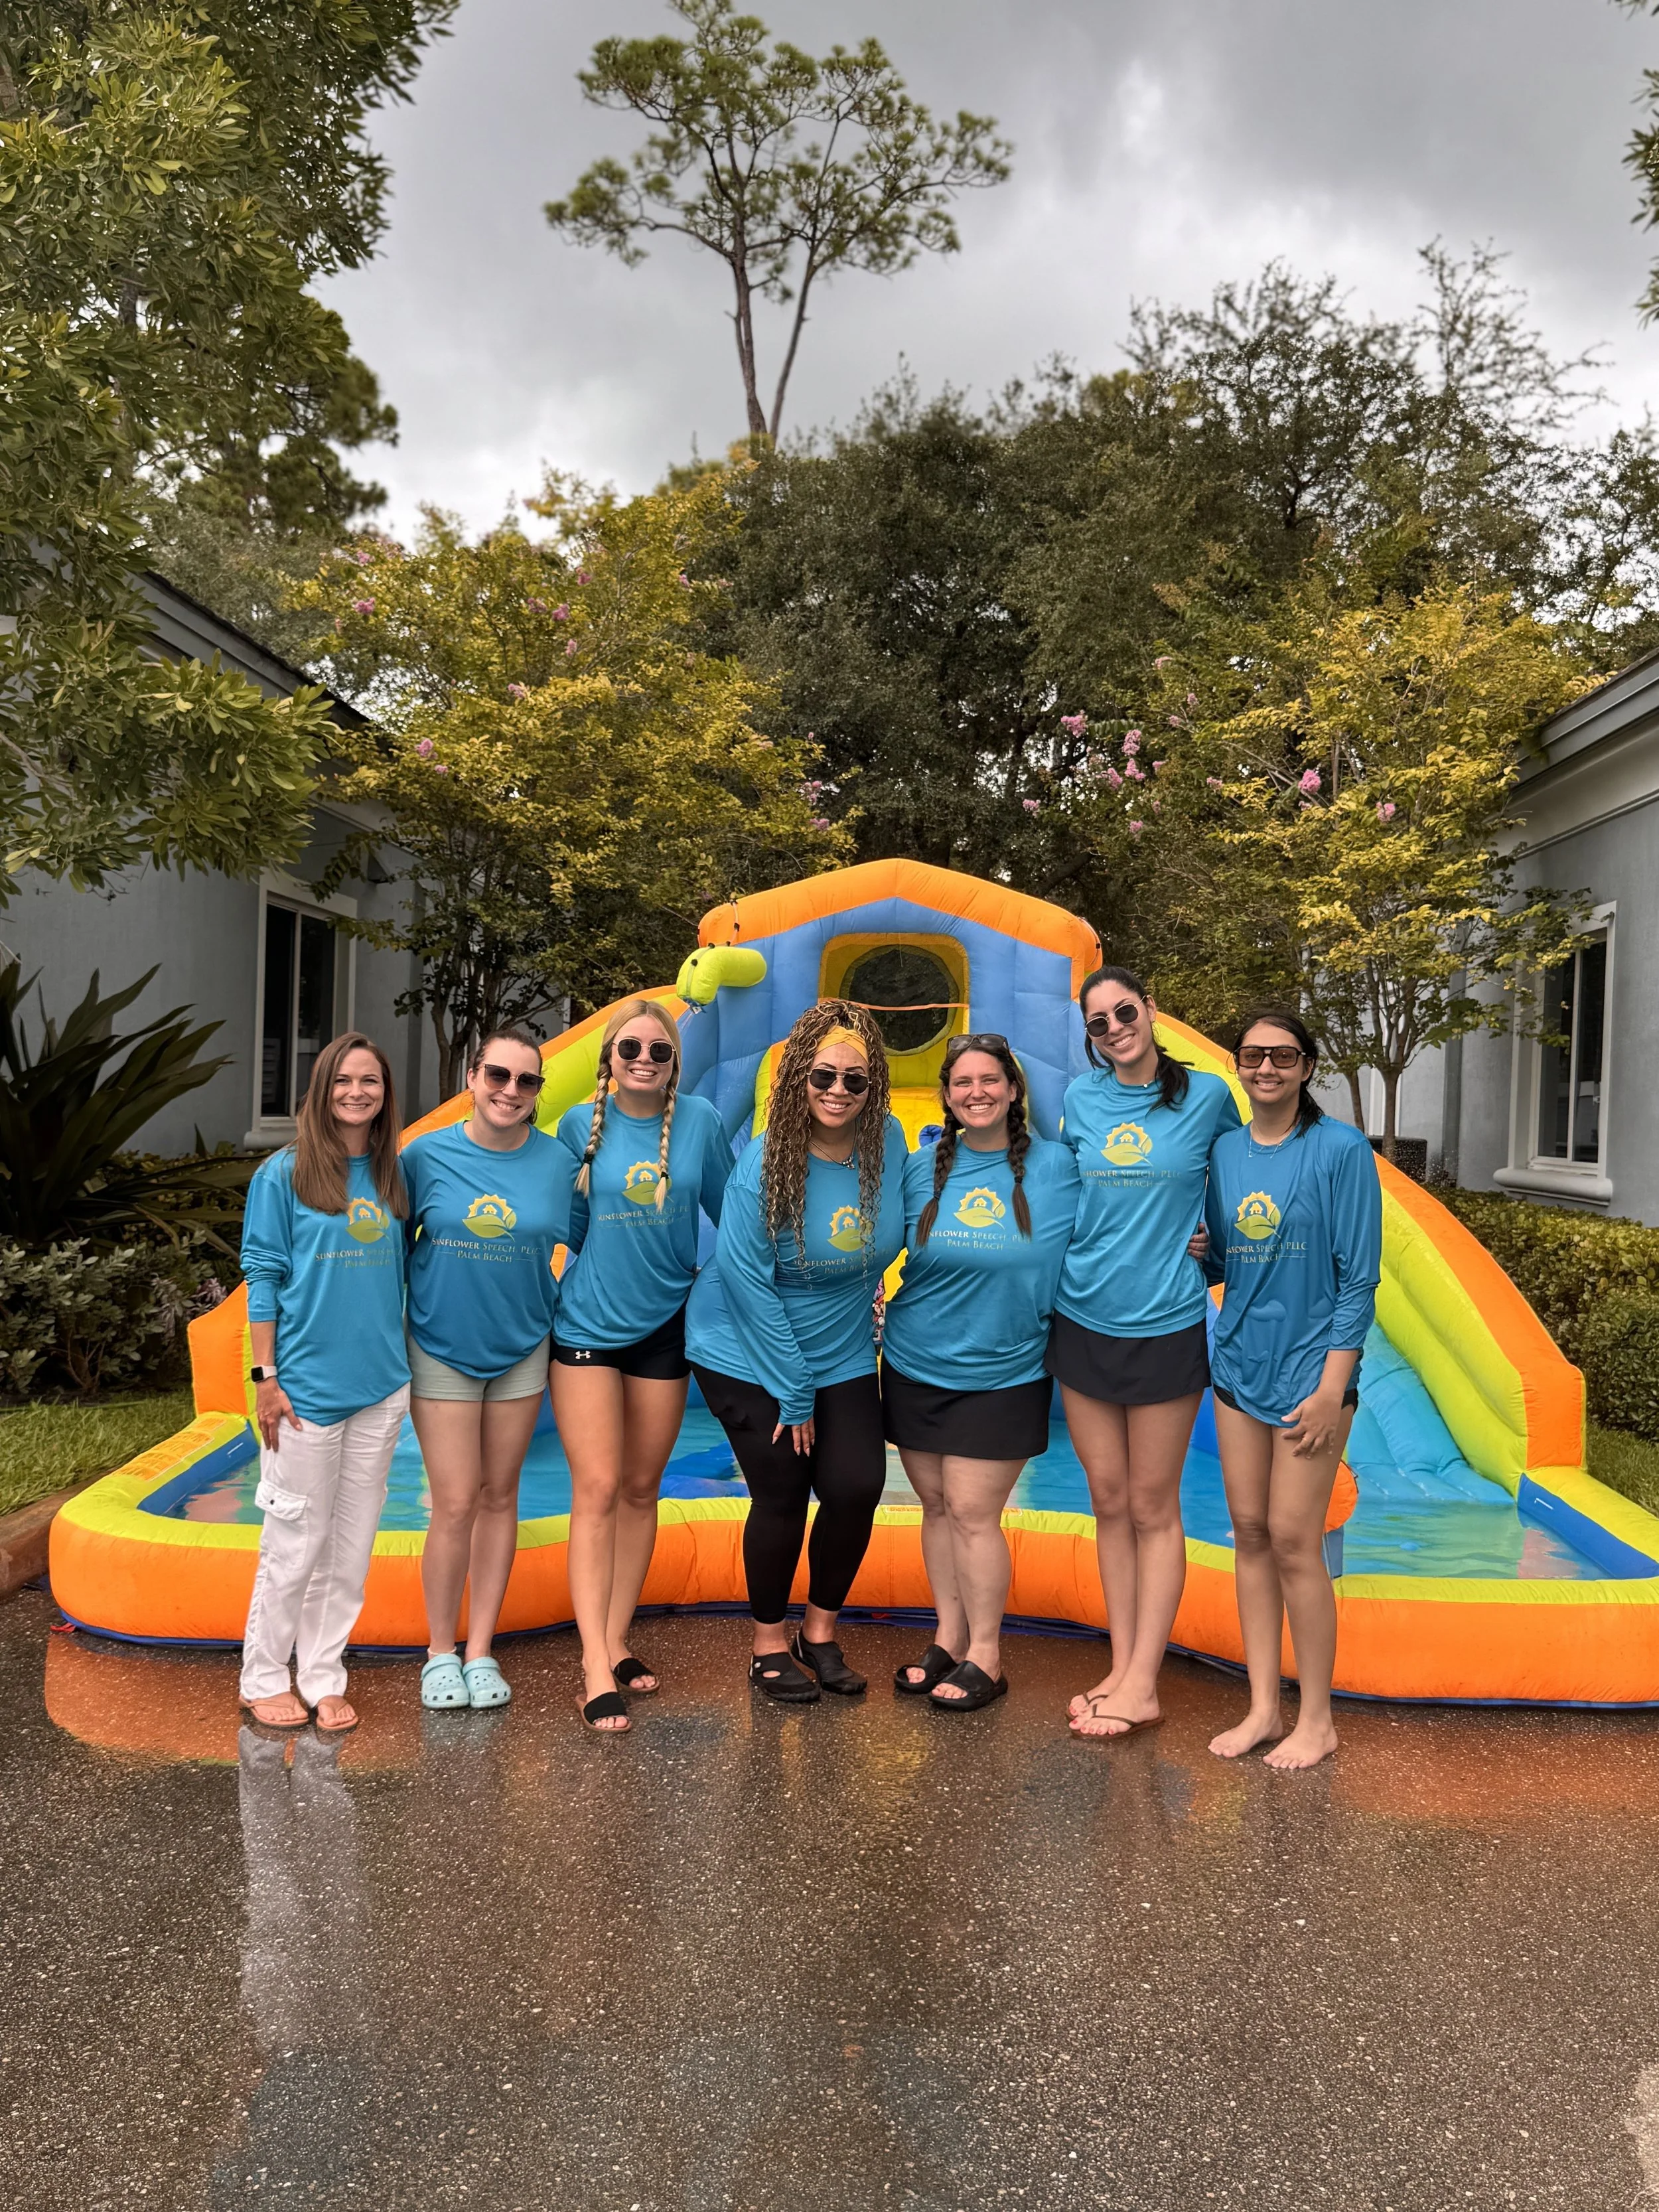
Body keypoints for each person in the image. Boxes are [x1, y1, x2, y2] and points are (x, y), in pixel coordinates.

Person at [686, 999, 906, 1702]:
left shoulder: (889, 1143)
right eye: (822, 1077)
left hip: (839, 1346)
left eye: (855, 1080)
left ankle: (819, 1632)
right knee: (781, 1490)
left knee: (855, 1487)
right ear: (795, 1082)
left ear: (874, 1089)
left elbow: (887, 1234)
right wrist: (794, 1389)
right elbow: (748, 1280)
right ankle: (768, 1645)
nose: (837, 1091)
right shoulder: (765, 1162)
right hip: (744, 1348)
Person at [1049, 965, 1242, 1741]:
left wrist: (1218, 1248)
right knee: (1108, 1503)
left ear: (1150, 1010)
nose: (1114, 1028)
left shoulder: (1206, 1097)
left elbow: (1245, 1180)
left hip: (1165, 1319)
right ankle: (1123, 1665)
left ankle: (1144, 1681)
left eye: (1123, 1012)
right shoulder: (1079, 1100)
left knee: (1154, 1506)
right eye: (1097, 1023)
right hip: (1082, 1315)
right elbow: (1066, 1200)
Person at [1202, 1009, 1382, 1770]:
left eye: (1282, 1056)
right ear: (1238, 1065)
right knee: (1248, 1533)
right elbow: (1224, 1263)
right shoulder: (1224, 1152)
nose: (1265, 1068)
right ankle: (1262, 1709)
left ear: (1308, 1067)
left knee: (1295, 1541)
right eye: (1252, 1056)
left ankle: (1318, 1718)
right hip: (1237, 1365)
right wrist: (1203, 1253)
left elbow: (1359, 1280)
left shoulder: (1339, 1151)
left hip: (1311, 1374)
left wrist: (1329, 1387)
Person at [883, 1035, 1080, 1712]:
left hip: (1005, 1369)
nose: (976, 1093)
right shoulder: (918, 1171)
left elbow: (1125, 1223)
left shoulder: (1057, 1169)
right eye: (962, 1082)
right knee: (935, 1507)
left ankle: (987, 1656)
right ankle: (947, 1637)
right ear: (945, 1093)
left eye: (990, 1080)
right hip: (913, 1362)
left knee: (972, 1511)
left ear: (1014, 1091)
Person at [552, 998, 731, 1733]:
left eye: (659, 1053)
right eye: (631, 1050)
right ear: (609, 1058)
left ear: (674, 1063)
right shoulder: (574, 1129)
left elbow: (737, 1215)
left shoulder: (699, 1124)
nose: (645, 1063)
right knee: (595, 1487)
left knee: (638, 1486)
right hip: (588, 1326)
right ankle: (594, 1663)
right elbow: (561, 1228)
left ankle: (616, 1637)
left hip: (665, 1330)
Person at [238, 1032, 410, 1733]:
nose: (356, 1093)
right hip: (304, 1392)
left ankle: (322, 1674)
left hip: (381, 1388)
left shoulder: (396, 1175)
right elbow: (262, 1278)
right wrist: (265, 1379)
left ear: (384, 1093)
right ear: (320, 1089)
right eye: (342, 1081)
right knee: (293, 1545)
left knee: (350, 1548)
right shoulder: (283, 1174)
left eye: (369, 1081)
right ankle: (261, 1674)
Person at [401, 1027, 568, 1713]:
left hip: (523, 1346)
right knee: (456, 1500)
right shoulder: (424, 1157)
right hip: (440, 1345)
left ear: (537, 1093)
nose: (510, 1091)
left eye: (526, 1081)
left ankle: (480, 1651)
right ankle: (440, 1651)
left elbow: (596, 1239)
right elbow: (383, 1245)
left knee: (502, 1495)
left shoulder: (558, 1163)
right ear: (472, 1077)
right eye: (498, 1075)